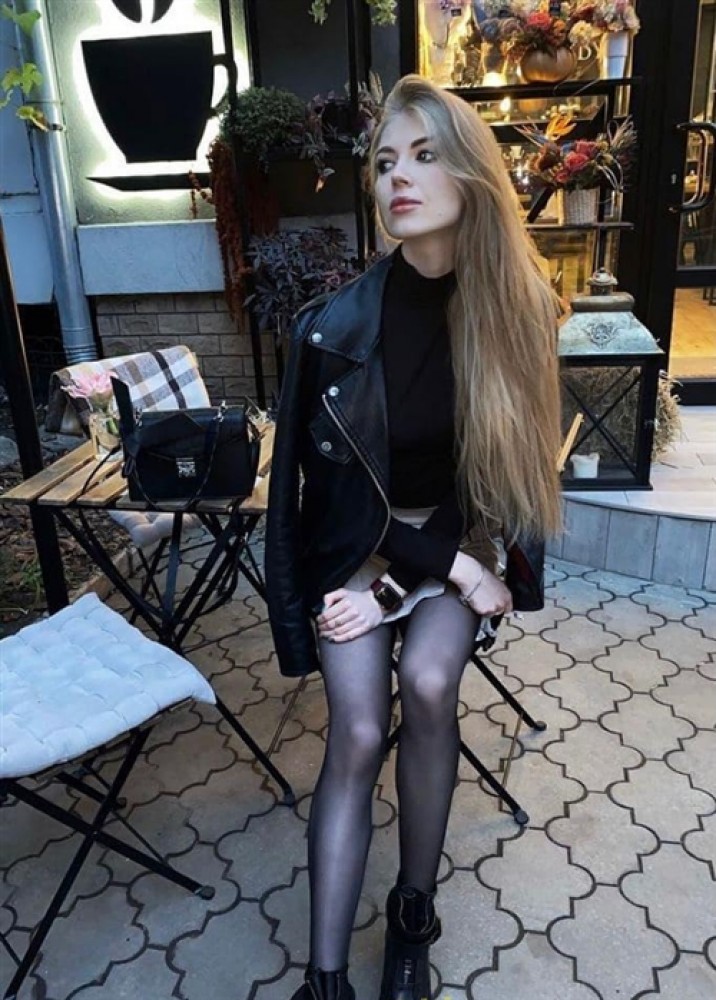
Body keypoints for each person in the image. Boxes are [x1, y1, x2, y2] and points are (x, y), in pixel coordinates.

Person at [265, 74, 562, 1000]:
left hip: (454, 530)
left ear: (471, 174)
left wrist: (447, 570)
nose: (398, 177)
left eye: (425, 156)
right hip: (358, 541)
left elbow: (498, 482)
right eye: (386, 161)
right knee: (358, 731)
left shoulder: (517, 311)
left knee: (430, 684)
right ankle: (323, 980)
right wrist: (437, 574)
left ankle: (411, 918)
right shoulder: (332, 330)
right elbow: (325, 503)